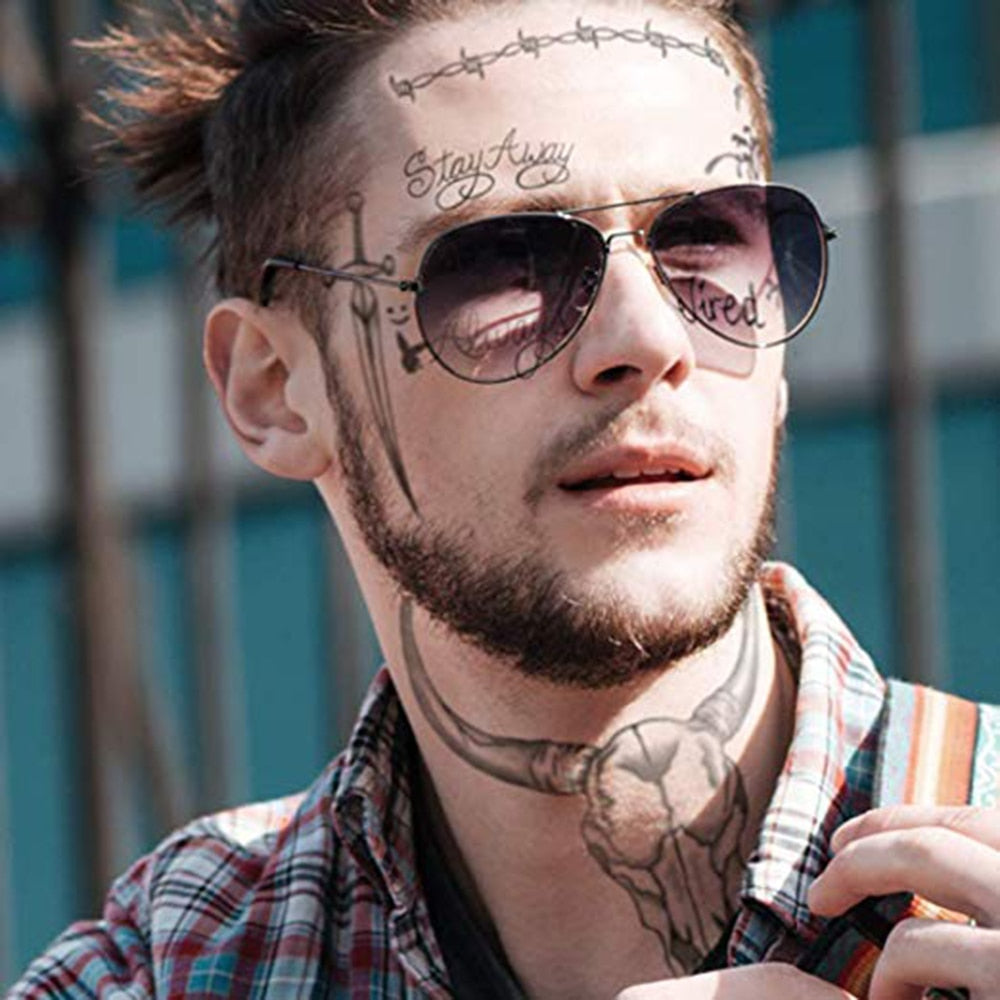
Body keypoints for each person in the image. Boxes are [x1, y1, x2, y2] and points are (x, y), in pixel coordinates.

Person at [10, 1, 1000, 997]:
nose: (649, 340)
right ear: (272, 388)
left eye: (706, 243)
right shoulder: (174, 964)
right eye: (504, 268)